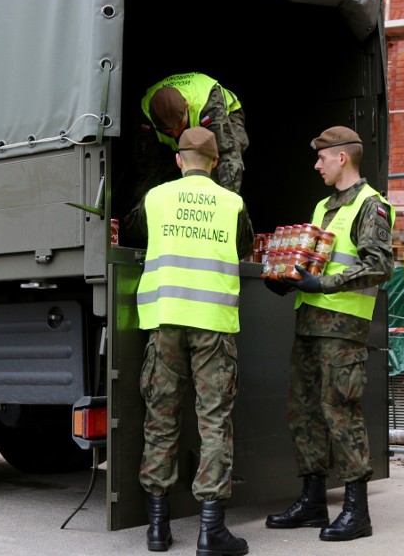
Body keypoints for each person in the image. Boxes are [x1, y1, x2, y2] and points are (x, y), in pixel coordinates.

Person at [263, 126, 394, 542]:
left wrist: (324, 285)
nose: (317, 164)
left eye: (322, 157)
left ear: (342, 157)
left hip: (342, 327)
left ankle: (357, 510)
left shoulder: (372, 205)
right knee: (304, 411)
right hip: (310, 322)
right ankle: (313, 499)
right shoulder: (324, 206)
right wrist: (289, 278)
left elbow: (379, 265)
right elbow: (317, 259)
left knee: (341, 410)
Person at [133, 126, 253, 555]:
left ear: (179, 159)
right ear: (217, 163)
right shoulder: (232, 202)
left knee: (161, 419)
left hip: (165, 320)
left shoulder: (156, 197)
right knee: (214, 420)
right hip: (213, 323)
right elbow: (244, 248)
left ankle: (157, 529)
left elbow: (138, 235)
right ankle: (210, 531)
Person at [132, 72, 248, 202]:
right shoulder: (145, 112)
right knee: (151, 169)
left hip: (226, 117)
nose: (176, 134)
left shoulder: (208, 102)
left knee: (220, 162)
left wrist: (228, 202)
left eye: (179, 126)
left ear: (187, 105)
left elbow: (228, 155)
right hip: (170, 150)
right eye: (168, 131)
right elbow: (145, 167)